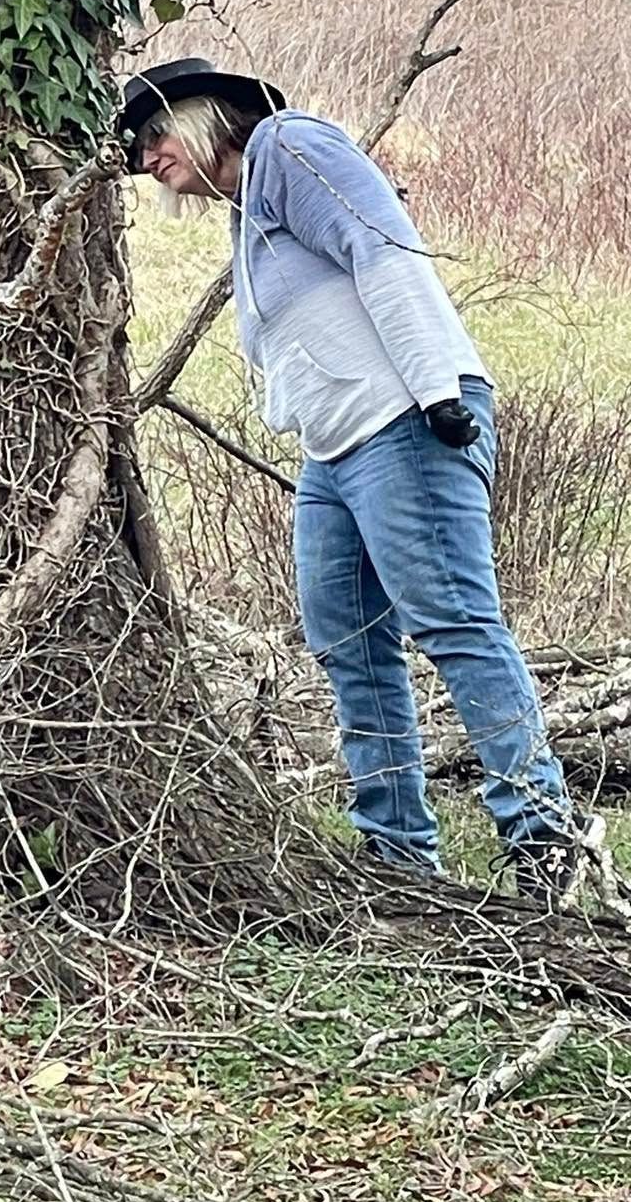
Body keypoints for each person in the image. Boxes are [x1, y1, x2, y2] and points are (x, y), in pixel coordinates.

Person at [119, 55, 595, 903]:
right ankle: (399, 858)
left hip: (409, 419)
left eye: (155, 135)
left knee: (453, 622)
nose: (149, 158)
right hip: (335, 452)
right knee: (348, 644)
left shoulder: (292, 148)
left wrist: (439, 392)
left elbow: (384, 252)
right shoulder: (248, 206)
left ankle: (545, 836)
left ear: (201, 116)